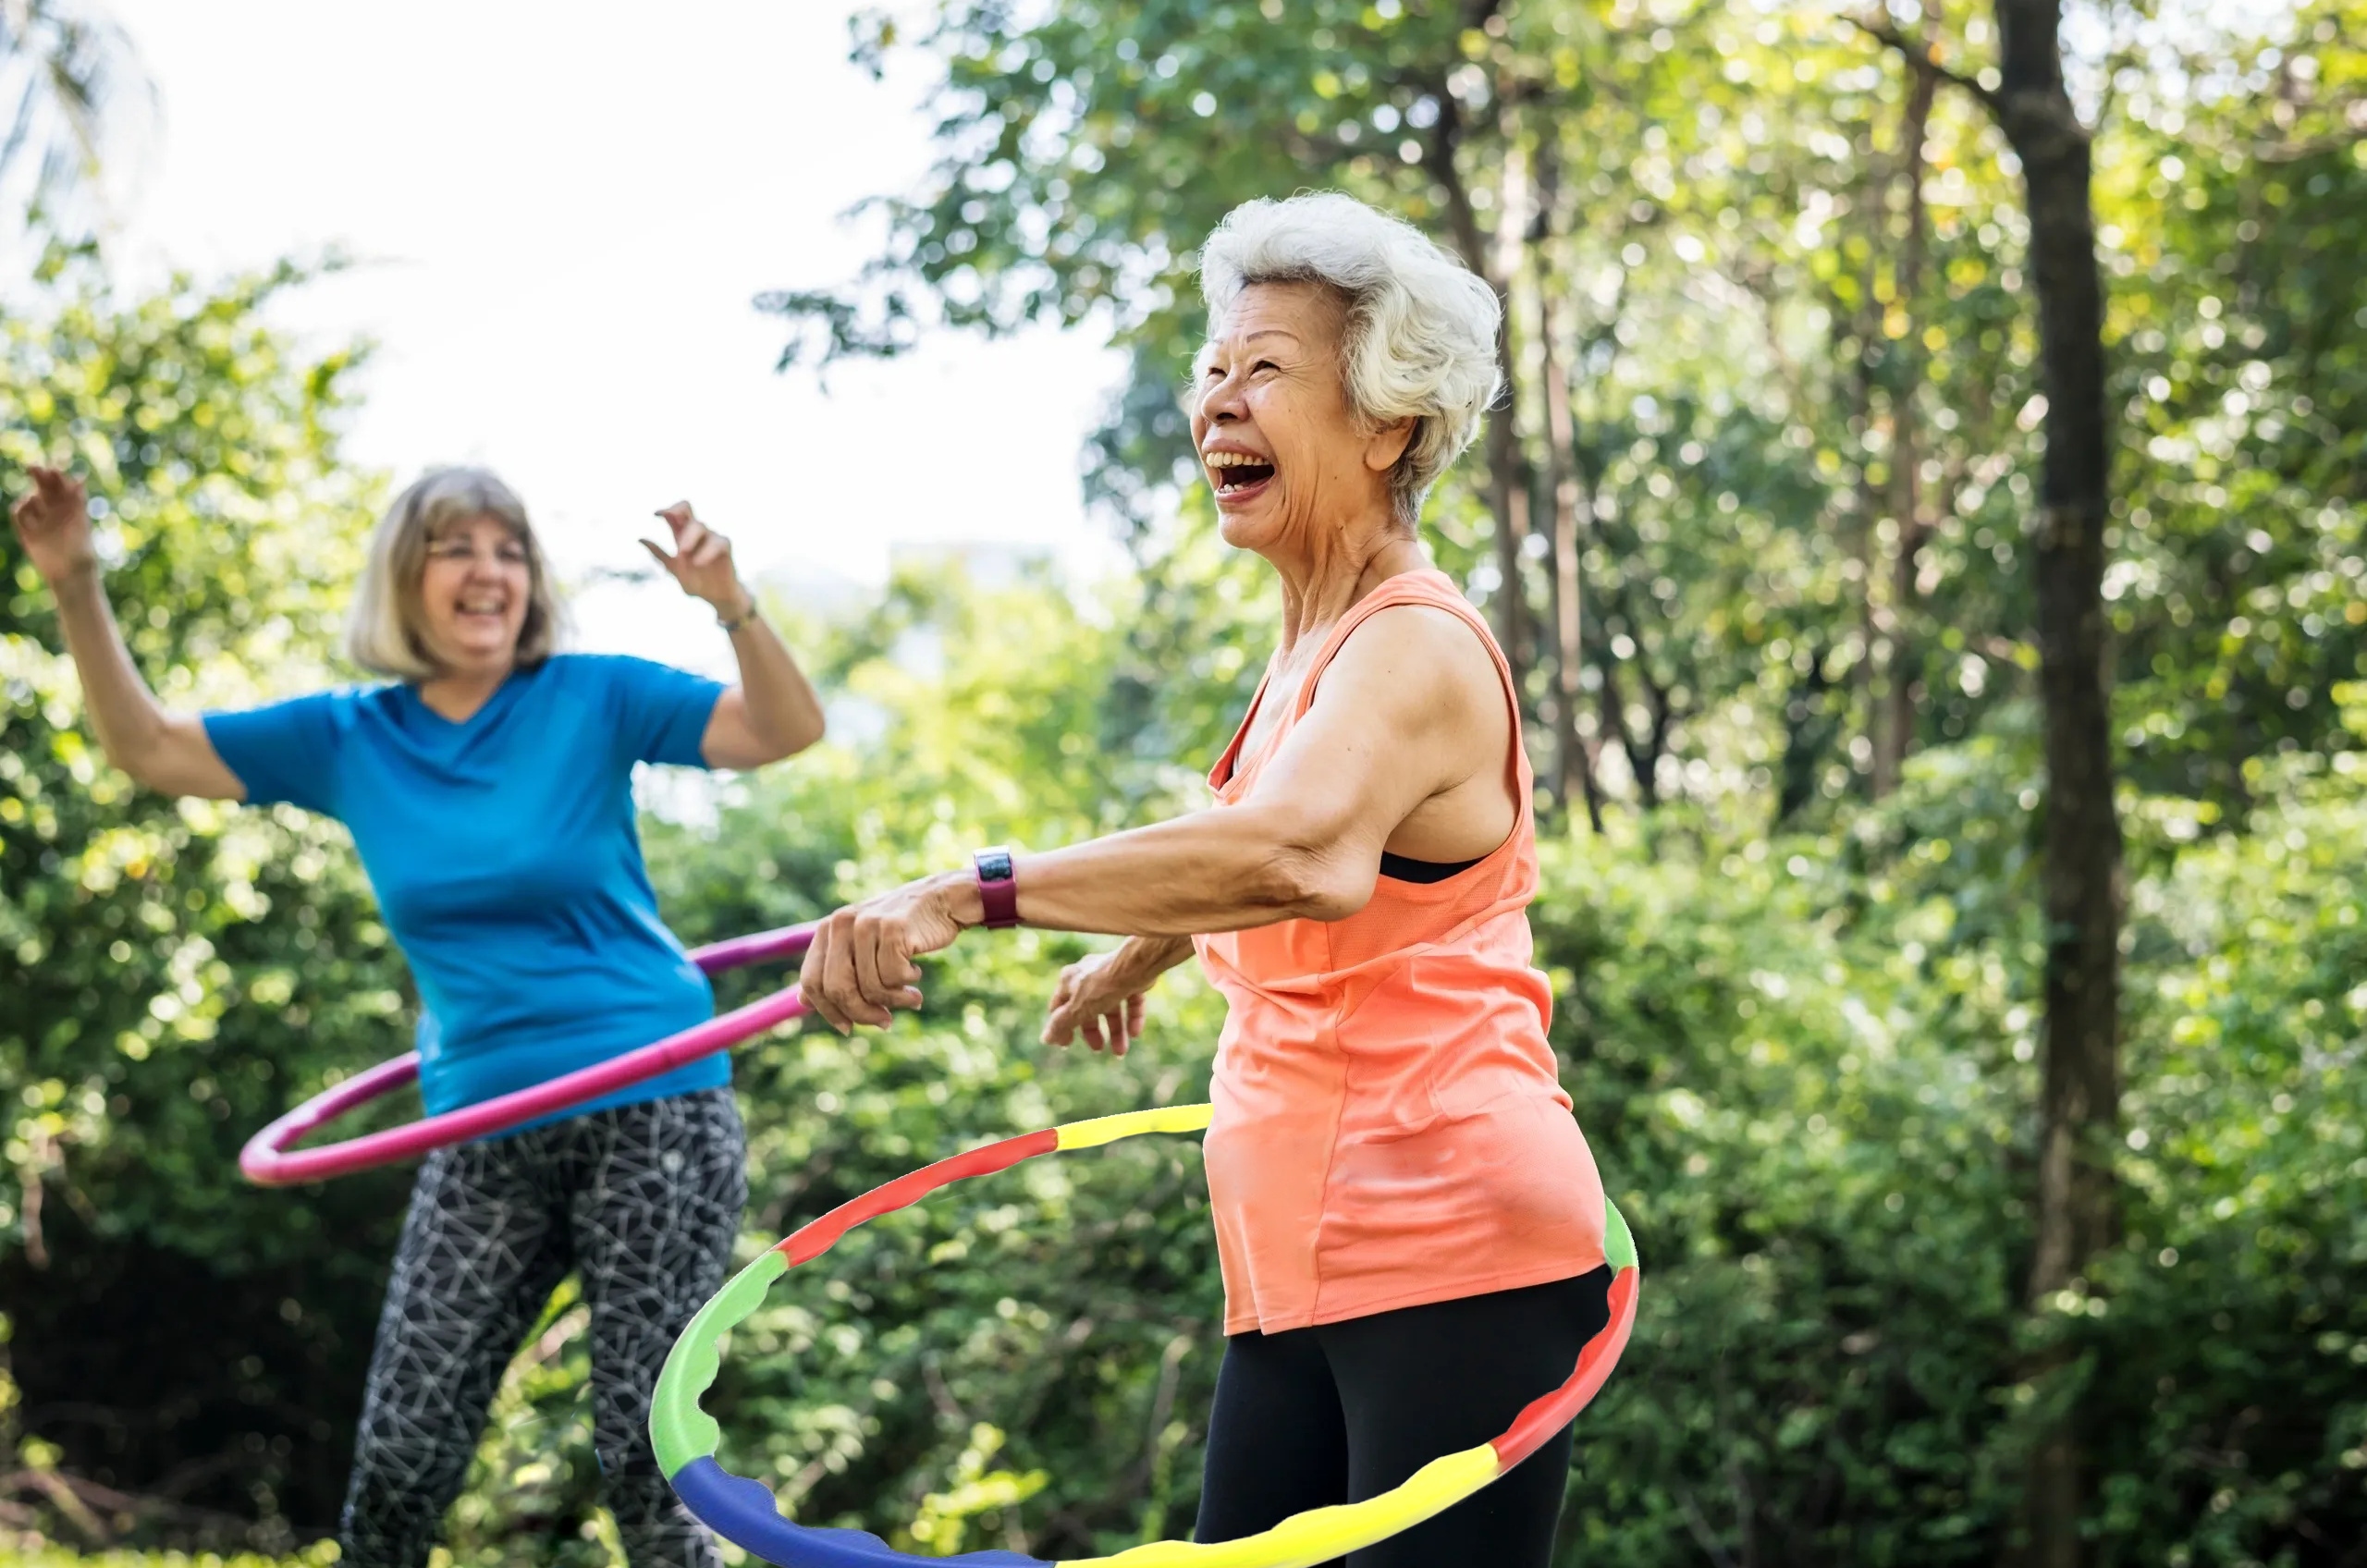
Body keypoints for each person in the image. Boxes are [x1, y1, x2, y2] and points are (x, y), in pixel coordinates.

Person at [795, 190, 1611, 1568]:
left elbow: (1297, 850)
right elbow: (1254, 826)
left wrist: (965, 890)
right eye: (1214, 371)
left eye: (1267, 372)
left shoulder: (1411, 645)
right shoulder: (1315, 648)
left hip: (1449, 1238)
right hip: (1297, 1253)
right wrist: (1140, 951)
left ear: (1388, 422)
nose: (1218, 405)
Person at [8, 464, 825, 1568]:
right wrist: (74, 582)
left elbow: (782, 730)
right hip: (479, 1125)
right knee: (401, 1459)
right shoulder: (350, 737)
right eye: (457, 547)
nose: (488, 572)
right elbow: (149, 748)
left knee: (650, 1459)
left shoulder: (593, 695)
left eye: (507, 550)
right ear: (407, 574)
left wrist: (731, 605)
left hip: (654, 1105)